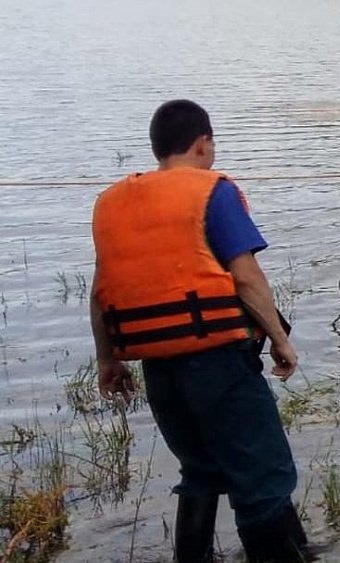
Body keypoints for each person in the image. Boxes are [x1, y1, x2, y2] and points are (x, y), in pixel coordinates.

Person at [89, 100, 310, 562]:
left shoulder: (112, 203)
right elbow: (246, 276)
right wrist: (281, 339)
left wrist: (108, 359)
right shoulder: (212, 191)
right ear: (203, 143)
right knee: (262, 476)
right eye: (212, 143)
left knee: (201, 470)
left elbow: (99, 292)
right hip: (218, 363)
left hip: (159, 369)